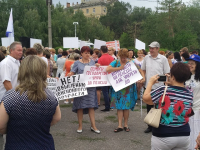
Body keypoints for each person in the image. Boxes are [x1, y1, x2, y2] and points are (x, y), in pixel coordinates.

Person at [0, 55, 61, 150]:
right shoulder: (51, 96)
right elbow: (57, 118)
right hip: (44, 145)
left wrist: (15, 129)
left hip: (16, 145)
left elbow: (1, 125)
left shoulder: (10, 96)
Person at [143, 62, 193, 150]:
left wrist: (150, 82)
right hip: (184, 134)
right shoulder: (189, 93)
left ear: (172, 76)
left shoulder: (163, 90)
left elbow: (146, 99)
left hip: (163, 134)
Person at [106, 48, 145, 132]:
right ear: (119, 56)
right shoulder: (115, 62)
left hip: (128, 89)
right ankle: (119, 125)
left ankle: (126, 125)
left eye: (125, 57)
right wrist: (119, 68)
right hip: (118, 89)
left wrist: (143, 78)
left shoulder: (131, 63)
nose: (123, 59)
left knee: (126, 107)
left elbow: (140, 70)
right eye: (122, 57)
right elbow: (108, 69)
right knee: (119, 107)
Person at [68, 46, 100, 134]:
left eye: (89, 53)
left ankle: (93, 126)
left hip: (91, 88)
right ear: (81, 53)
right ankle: (80, 125)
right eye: (85, 53)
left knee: (91, 106)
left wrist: (98, 67)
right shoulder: (77, 63)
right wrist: (70, 74)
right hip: (80, 87)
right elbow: (72, 72)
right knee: (80, 107)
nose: (87, 54)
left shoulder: (93, 62)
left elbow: (97, 73)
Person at [141, 41, 170, 133]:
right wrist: (143, 77)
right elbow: (143, 69)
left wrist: (166, 78)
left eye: (153, 48)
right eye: (150, 48)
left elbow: (167, 72)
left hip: (160, 86)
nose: (151, 50)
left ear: (158, 49)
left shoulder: (163, 59)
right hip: (149, 86)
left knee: (160, 106)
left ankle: (159, 125)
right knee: (149, 106)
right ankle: (150, 125)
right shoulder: (146, 58)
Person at [0, 42, 23, 149]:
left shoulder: (17, 62)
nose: (21, 52)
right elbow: (7, 83)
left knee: (14, 128)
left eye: (22, 50)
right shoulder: (6, 63)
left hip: (14, 98)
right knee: (7, 130)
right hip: (7, 100)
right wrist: (17, 99)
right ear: (11, 50)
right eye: (19, 50)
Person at [185, 54, 200, 150]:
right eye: (188, 63)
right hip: (187, 110)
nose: (189, 65)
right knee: (188, 133)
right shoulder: (186, 76)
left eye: (192, 63)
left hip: (197, 110)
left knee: (196, 133)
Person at [98, 45, 114, 112]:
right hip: (112, 76)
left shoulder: (100, 59)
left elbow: (99, 69)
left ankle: (107, 106)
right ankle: (112, 105)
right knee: (111, 91)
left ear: (101, 51)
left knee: (105, 92)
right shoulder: (112, 58)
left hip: (104, 77)